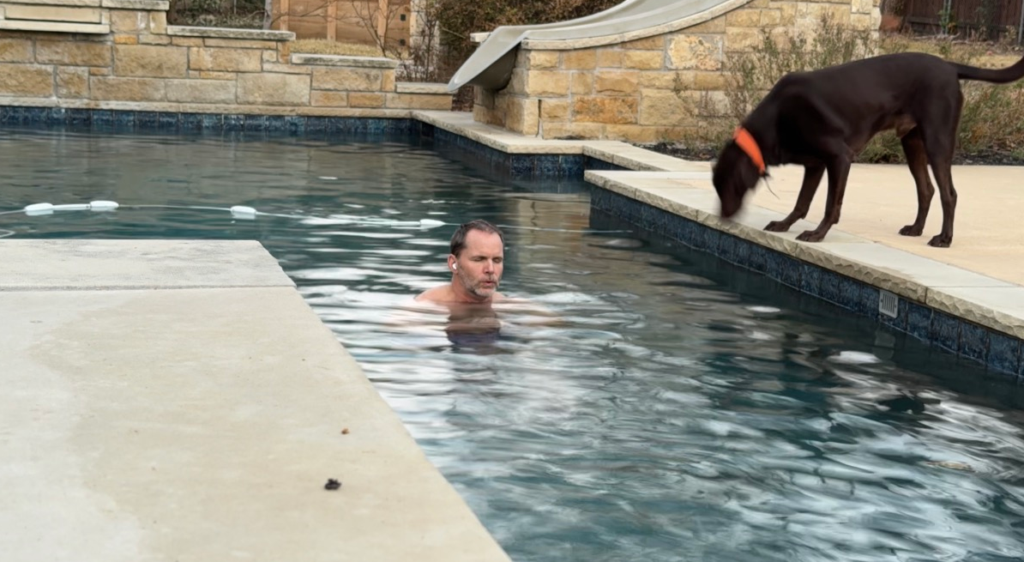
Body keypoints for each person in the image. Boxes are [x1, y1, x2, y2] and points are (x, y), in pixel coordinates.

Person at [415, 219, 507, 305]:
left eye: (497, 260)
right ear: (453, 264)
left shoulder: (505, 305)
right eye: (479, 259)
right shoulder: (425, 306)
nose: (490, 269)